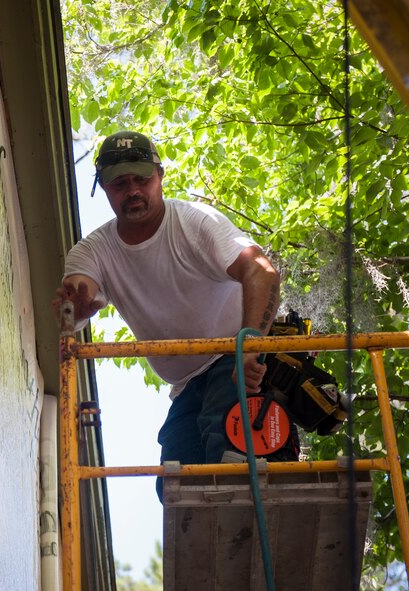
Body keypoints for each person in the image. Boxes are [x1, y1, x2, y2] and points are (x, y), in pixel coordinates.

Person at [53, 130, 281, 497]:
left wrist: (251, 346)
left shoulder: (195, 222)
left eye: (142, 179)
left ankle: (247, 525)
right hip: (187, 385)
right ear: (103, 189)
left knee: (227, 445)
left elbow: (261, 271)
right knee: (174, 484)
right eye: (119, 184)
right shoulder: (92, 250)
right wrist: (78, 304)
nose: (133, 192)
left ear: (160, 176)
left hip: (233, 357)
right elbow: (81, 291)